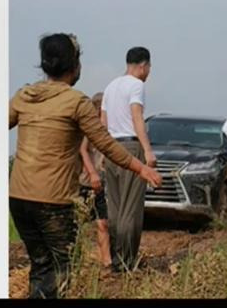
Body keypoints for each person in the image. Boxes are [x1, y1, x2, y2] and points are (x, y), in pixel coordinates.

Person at [9, 33, 161, 299]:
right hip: (52, 202)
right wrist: (142, 167)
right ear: (74, 65)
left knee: (41, 267)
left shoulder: (25, 96)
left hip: (18, 198)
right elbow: (105, 143)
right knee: (60, 271)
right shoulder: (75, 102)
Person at [101, 46, 157, 272]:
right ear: (143, 66)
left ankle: (115, 259)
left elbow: (102, 123)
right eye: (149, 67)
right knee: (130, 208)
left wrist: (104, 152)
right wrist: (148, 151)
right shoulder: (137, 85)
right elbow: (137, 117)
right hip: (130, 147)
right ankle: (126, 261)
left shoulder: (110, 86)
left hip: (111, 147)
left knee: (114, 208)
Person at [78, 92, 111, 268]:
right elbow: (82, 150)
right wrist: (92, 173)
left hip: (101, 183)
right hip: (85, 182)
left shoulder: (106, 130)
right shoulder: (88, 129)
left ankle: (106, 261)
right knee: (77, 223)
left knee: (103, 222)